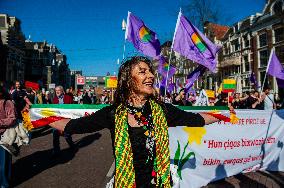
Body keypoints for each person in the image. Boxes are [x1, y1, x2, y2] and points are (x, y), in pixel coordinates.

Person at [49, 56, 224, 187]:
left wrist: (224, 115)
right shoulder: (113, 114)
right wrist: (37, 119)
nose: (150, 76)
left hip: (159, 182)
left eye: (150, 71)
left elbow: (197, 120)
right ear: (128, 80)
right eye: (142, 71)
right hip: (126, 183)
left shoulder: (163, 110)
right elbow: (73, 126)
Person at [52, 86, 75, 156]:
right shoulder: (54, 99)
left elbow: (73, 108)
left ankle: (72, 145)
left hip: (66, 120)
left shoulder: (68, 98)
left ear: (62, 91)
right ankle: (56, 151)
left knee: (67, 135)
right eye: (56, 91)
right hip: (57, 120)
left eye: (58, 90)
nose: (57, 92)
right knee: (55, 135)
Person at [0, 86, 16, 188]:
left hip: (3, 136)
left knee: (3, 163)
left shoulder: (7, 102)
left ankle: (4, 183)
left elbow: (12, 118)